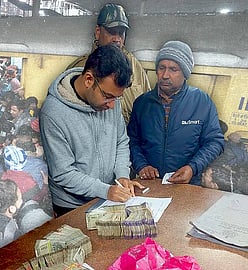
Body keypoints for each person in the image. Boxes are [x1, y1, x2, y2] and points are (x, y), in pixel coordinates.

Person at [40, 44, 144, 217]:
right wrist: (105, 190)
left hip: (109, 196)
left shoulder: (112, 99)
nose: (112, 105)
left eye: (117, 98)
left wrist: (122, 176)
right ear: (89, 80)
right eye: (108, 96)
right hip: (73, 207)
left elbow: (121, 141)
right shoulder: (53, 113)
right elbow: (63, 173)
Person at [127, 41, 224, 185]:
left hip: (187, 185)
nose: (165, 75)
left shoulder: (201, 101)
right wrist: (142, 165)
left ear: (185, 73)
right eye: (161, 68)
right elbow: (132, 141)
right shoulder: (142, 103)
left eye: (173, 69)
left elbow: (215, 142)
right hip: (149, 184)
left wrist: (192, 168)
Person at [67, 3, 151, 123]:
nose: (117, 39)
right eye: (112, 32)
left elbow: (148, 108)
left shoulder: (134, 66)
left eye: (121, 33)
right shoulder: (81, 67)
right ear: (98, 31)